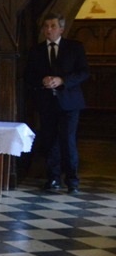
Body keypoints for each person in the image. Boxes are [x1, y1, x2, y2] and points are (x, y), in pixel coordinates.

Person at [25, 13, 90, 193]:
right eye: (46, 26)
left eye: (53, 26)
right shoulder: (36, 50)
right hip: (47, 103)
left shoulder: (74, 47)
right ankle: (53, 178)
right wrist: (42, 80)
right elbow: (28, 75)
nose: (49, 29)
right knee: (50, 141)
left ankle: (72, 181)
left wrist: (63, 80)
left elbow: (84, 72)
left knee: (68, 140)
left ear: (61, 29)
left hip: (69, 102)